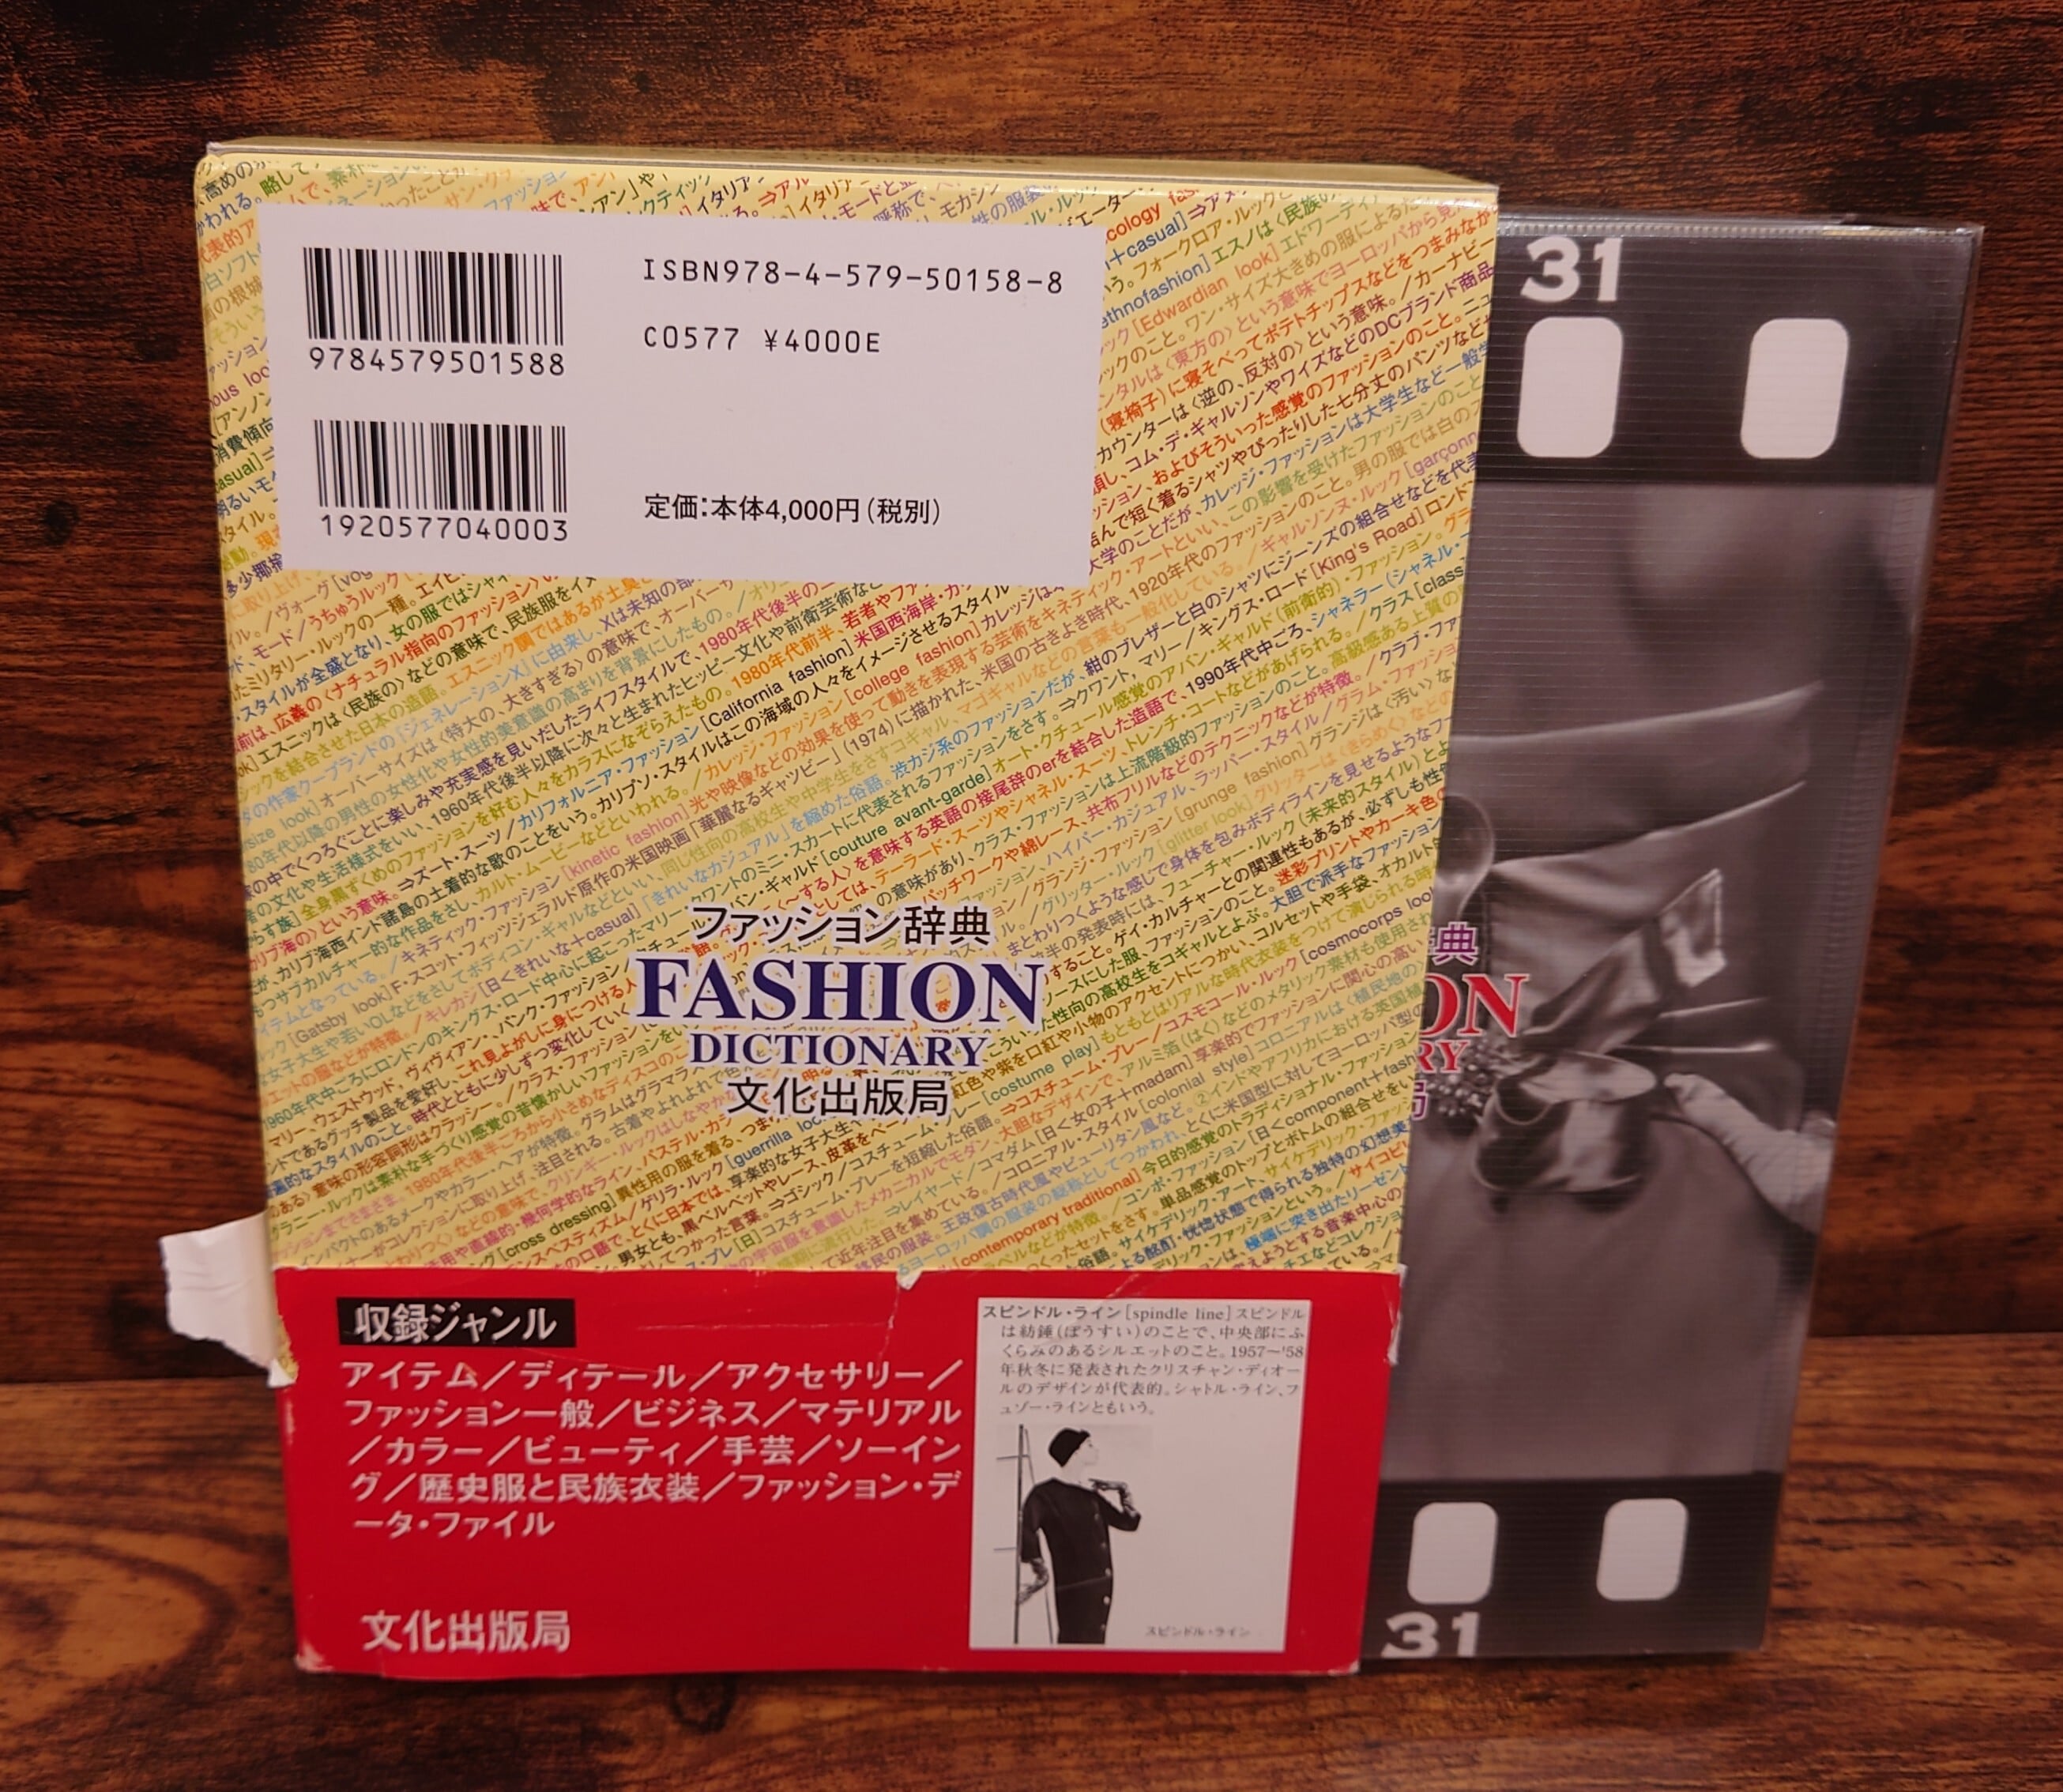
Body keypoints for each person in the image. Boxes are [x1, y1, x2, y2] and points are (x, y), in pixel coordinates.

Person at [1017, 1429, 1140, 1644]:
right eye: (1089, 1445)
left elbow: (1128, 1523)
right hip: (1074, 1587)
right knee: (1075, 1641)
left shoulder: (1090, 1495)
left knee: (1095, 1643)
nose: (1096, 1449)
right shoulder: (1045, 1493)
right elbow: (1026, 1528)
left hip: (1101, 1585)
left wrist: (1123, 1490)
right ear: (1075, 1452)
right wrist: (1040, 1569)